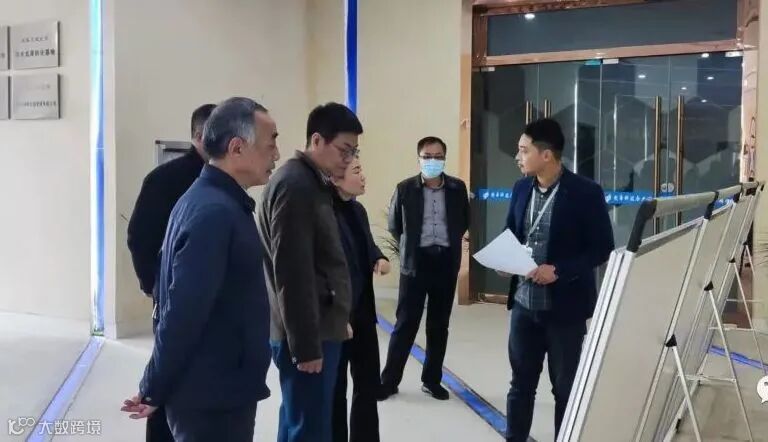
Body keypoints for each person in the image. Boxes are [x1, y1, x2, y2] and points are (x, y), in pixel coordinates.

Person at [120, 97, 280, 442]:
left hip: (220, 388)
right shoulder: (215, 212)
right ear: (237, 148)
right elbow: (182, 313)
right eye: (271, 144)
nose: (277, 155)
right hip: (212, 397)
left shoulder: (212, 199)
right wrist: (153, 385)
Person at [501, 119, 614, 442]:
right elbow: (511, 233)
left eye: (524, 151)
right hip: (524, 306)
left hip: (565, 310)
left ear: (547, 155)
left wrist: (560, 270)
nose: (518, 157)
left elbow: (602, 248)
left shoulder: (585, 193)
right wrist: (504, 259)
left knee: (565, 389)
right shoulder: (521, 188)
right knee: (520, 385)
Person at [258, 102, 363, 442]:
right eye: (344, 150)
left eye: (354, 152)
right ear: (317, 140)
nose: (349, 159)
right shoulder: (296, 185)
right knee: (309, 427)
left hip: (318, 326)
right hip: (307, 335)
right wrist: (305, 346)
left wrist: (337, 317)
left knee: (299, 420)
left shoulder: (312, 182)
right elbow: (292, 273)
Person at [126, 102, 215, 442]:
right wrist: (154, 285)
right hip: (174, 298)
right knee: (169, 373)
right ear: (199, 136)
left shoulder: (223, 183)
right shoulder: (166, 179)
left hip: (206, 303)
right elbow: (139, 236)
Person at [379, 136, 470, 401]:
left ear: (445, 159)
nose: (432, 161)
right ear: (419, 159)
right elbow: (395, 226)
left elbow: (463, 221)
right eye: (427, 156)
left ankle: (431, 380)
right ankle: (389, 381)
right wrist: (412, 247)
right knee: (405, 323)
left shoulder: (457, 188)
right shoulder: (405, 188)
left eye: (438, 156)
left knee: (439, 325)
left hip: (445, 263)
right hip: (415, 264)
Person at [330, 157, 390, 442]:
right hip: (338, 316)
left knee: (367, 386)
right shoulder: (324, 214)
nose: (363, 176)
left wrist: (378, 257)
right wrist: (338, 316)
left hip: (363, 312)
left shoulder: (357, 210)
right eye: (357, 171)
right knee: (336, 390)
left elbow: (367, 245)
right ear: (335, 177)